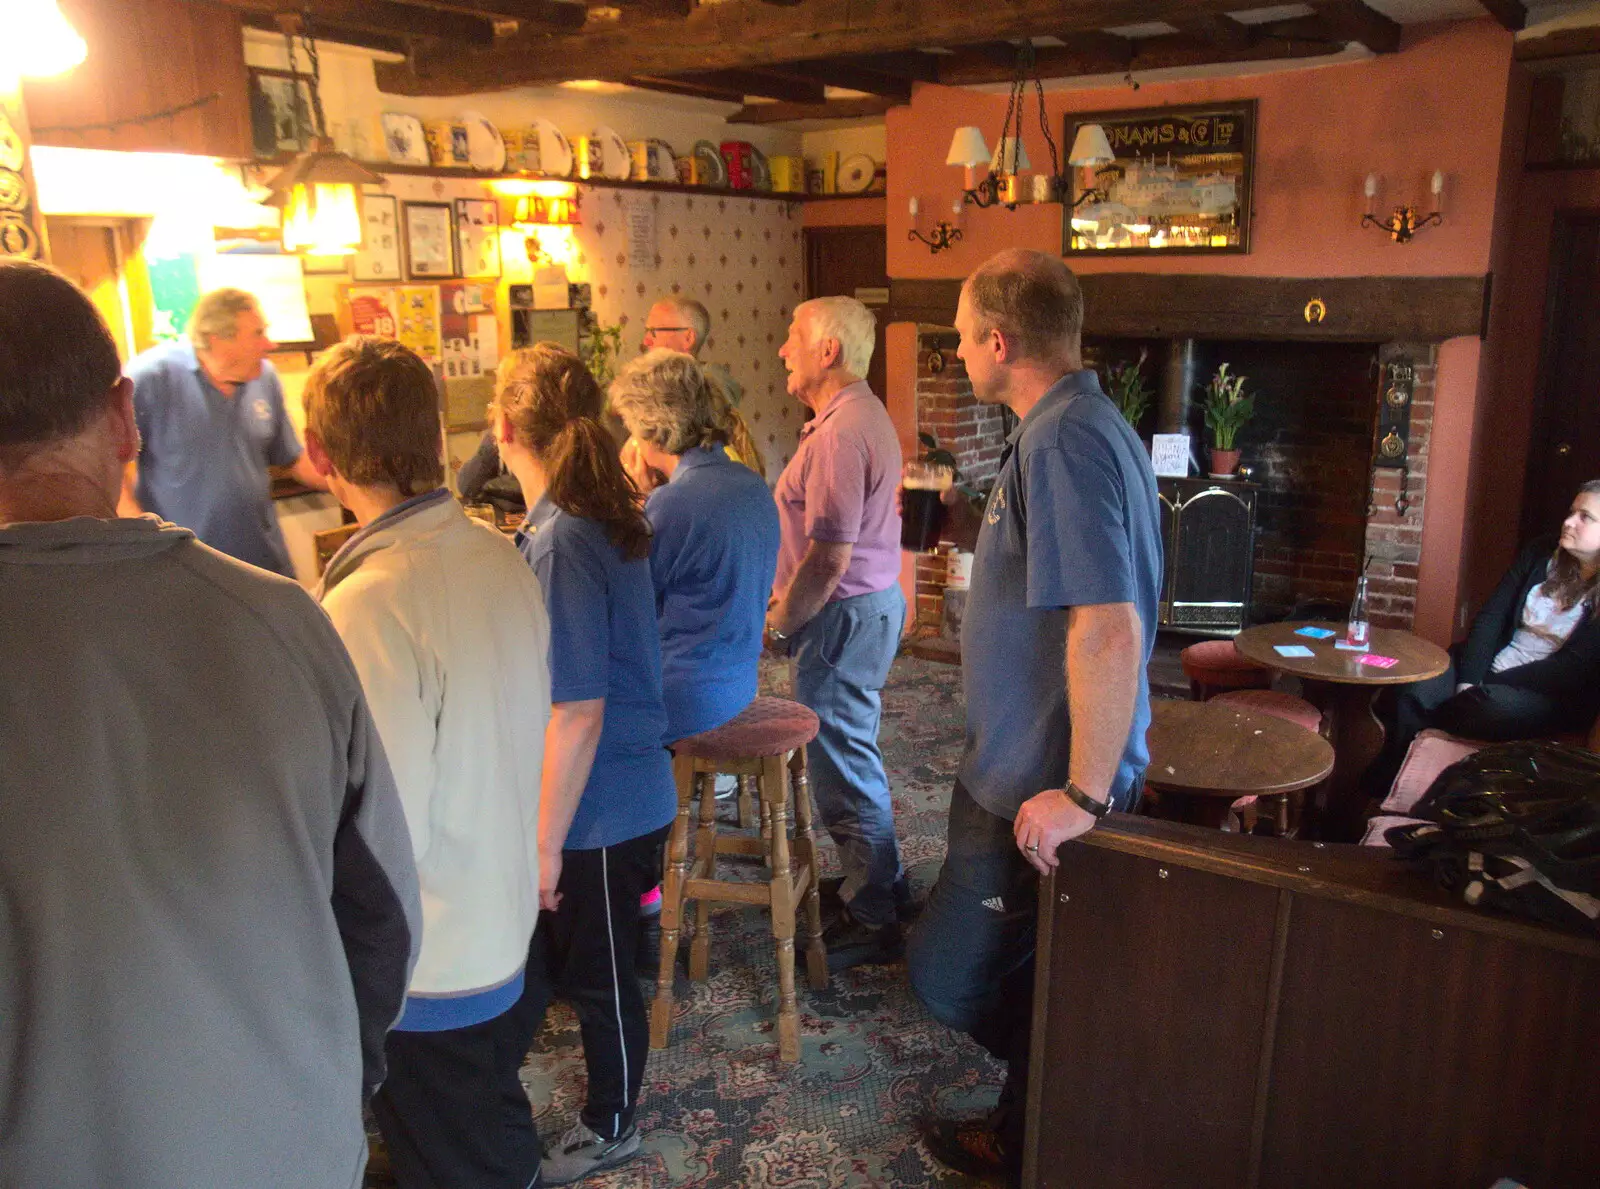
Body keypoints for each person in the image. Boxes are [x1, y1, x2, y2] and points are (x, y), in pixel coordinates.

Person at [0, 259, 420, 1188]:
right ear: (122, 415)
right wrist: (334, 1079)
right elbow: (384, 909)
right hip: (285, 1136)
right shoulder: (286, 624)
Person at [905, 249, 1162, 1187]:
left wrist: (1083, 792)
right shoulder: (1075, 424)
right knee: (1034, 968)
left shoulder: (1064, 438)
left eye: (964, 337)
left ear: (1000, 341)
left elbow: (1109, 624)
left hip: (1039, 782)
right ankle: (1036, 1130)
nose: (961, 353)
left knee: (951, 973)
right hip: (1024, 767)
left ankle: (1077, 1099)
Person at [302, 337, 554, 1189]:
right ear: (439, 438)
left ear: (318, 455)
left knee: (458, 1152)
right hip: (501, 906)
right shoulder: (496, 551)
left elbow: (383, 827)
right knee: (482, 1115)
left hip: (435, 953)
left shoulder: (370, 600)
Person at [493, 343, 677, 1185]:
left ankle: (613, 1123)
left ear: (504, 428)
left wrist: (540, 841)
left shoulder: (565, 536)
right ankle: (483, 1098)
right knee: (562, 966)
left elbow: (577, 708)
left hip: (602, 802)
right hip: (616, 789)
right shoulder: (582, 514)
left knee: (601, 980)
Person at [768, 295, 908, 971]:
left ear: (829, 350)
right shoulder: (849, 417)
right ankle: (873, 881)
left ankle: (874, 908)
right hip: (860, 610)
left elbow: (829, 556)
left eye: (793, 337)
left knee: (843, 762)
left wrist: (780, 623)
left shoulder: (841, 432)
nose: (782, 350)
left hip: (846, 615)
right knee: (848, 753)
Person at [1364, 480, 1600, 796]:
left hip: (1542, 693)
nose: (1569, 521)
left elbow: (1570, 669)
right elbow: (1491, 618)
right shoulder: (1540, 552)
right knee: (1418, 684)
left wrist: (1485, 684)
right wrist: (1469, 680)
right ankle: (1391, 780)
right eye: (1571, 512)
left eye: (1585, 517)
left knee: (1488, 706)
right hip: (1484, 670)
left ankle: (1405, 772)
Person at [610, 347, 780, 743]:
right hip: (740, 682)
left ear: (650, 430)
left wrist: (635, 498)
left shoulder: (674, 502)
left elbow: (626, 606)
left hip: (684, 697)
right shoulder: (751, 483)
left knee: (568, 717)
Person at [119, 287, 326, 576]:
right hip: (185, 569)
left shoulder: (264, 377)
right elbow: (112, 470)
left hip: (263, 563)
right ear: (218, 340)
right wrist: (142, 539)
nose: (270, 345)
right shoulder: (151, 377)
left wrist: (356, 480)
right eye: (257, 333)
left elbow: (292, 459)